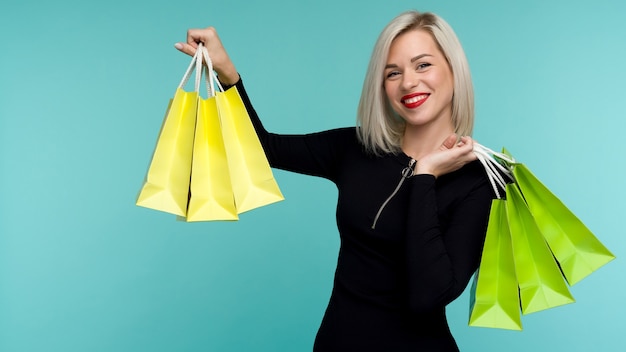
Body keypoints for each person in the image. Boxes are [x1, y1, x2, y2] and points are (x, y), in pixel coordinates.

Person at [175, 10, 494, 352]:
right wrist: (228, 74)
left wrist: (425, 174)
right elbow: (261, 148)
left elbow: (428, 296)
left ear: (453, 70)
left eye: (423, 65)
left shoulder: (481, 181)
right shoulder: (356, 147)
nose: (408, 82)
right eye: (393, 72)